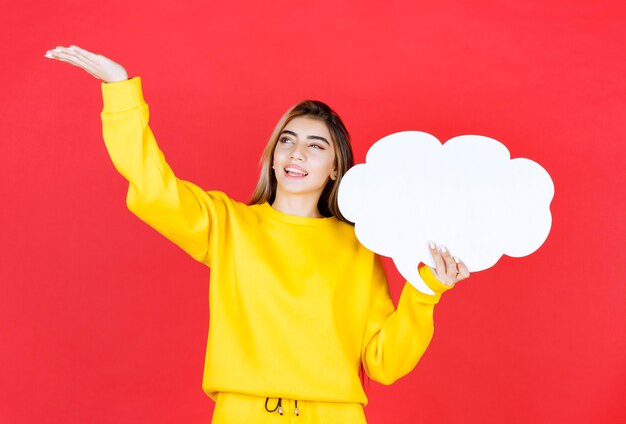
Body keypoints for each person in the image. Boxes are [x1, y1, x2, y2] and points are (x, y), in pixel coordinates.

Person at [45, 45, 470, 424]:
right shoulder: (229, 224)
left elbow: (383, 363)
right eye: (287, 140)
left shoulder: (359, 246)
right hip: (243, 413)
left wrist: (426, 290)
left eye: (316, 145)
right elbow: (156, 192)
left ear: (336, 168)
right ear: (274, 155)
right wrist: (120, 92)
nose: (297, 153)